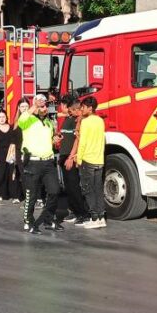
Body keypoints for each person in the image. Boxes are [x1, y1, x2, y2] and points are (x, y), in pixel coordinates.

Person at [19, 93, 61, 235]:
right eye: (41, 105)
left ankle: (48, 219)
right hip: (33, 162)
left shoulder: (49, 123)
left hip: (48, 162)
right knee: (31, 195)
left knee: (54, 191)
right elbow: (21, 121)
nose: (44, 108)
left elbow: (49, 140)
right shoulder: (28, 119)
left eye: (45, 106)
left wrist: (55, 140)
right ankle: (28, 221)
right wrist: (34, 106)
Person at [75, 96, 108, 229]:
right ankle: (101, 217)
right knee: (98, 189)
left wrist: (79, 159)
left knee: (88, 190)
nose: (81, 109)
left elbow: (83, 142)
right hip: (99, 160)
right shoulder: (100, 121)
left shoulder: (86, 122)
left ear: (90, 108)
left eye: (83, 107)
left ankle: (94, 218)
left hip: (88, 159)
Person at [58, 95, 89, 225]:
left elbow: (78, 140)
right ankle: (74, 212)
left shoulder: (79, 121)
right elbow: (64, 135)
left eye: (63, 105)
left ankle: (83, 214)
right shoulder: (67, 119)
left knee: (74, 187)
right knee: (69, 188)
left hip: (70, 157)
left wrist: (71, 157)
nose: (61, 108)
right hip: (63, 156)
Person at [0, 109, 18, 203]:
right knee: (1, 175)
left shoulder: (11, 128)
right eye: (0, 117)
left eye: (3, 117)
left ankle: (14, 195)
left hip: (10, 154)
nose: (2, 119)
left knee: (12, 174)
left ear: (6, 118)